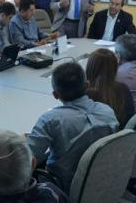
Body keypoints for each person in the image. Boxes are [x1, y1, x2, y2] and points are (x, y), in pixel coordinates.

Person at [26, 62, 118, 192]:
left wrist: (20, 142)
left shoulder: (50, 120)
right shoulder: (107, 111)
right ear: (87, 86)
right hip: (104, 176)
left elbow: (26, 160)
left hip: (64, 186)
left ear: (55, 95)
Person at [86, 49, 135, 128]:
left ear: (89, 68)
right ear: (115, 67)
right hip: (122, 136)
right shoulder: (124, 89)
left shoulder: (86, 96)